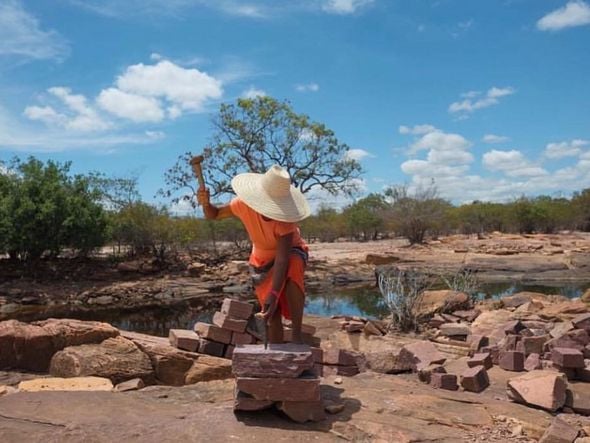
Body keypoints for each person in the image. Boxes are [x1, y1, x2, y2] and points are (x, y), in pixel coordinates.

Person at [197, 165, 311, 344]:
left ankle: (297, 336)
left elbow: (282, 260)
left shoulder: (286, 221)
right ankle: (275, 349)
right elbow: (215, 214)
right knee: (270, 310)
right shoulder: (243, 204)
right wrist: (205, 203)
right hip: (261, 257)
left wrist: (275, 293)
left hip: (290, 253)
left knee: (293, 268)